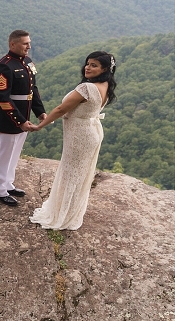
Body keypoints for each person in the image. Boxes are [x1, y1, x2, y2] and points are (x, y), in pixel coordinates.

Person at [29, 51, 117, 230]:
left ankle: (62, 214)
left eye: (94, 65)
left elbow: (61, 109)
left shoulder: (86, 88)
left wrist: (41, 125)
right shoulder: (105, 85)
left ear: (105, 69)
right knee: (79, 175)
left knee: (70, 175)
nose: (88, 67)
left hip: (80, 136)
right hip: (90, 133)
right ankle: (70, 212)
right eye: (88, 63)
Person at [0, 30, 46, 206]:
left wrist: (40, 112)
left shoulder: (27, 63)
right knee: (3, 155)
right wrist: (20, 121)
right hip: (8, 119)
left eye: (29, 43)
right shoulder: (4, 66)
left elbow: (32, 90)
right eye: (24, 43)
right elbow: (3, 99)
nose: (28, 46)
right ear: (12, 44)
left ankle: (8, 184)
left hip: (25, 115)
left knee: (14, 154)